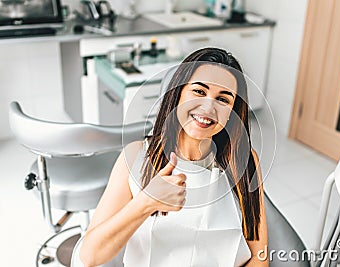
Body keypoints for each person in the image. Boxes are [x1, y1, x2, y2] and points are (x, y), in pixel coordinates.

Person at [80, 47, 268, 266]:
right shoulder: (136, 156)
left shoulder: (244, 160)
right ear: (177, 94)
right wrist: (145, 203)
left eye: (223, 100)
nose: (208, 107)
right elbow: (90, 256)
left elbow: (259, 255)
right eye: (199, 91)